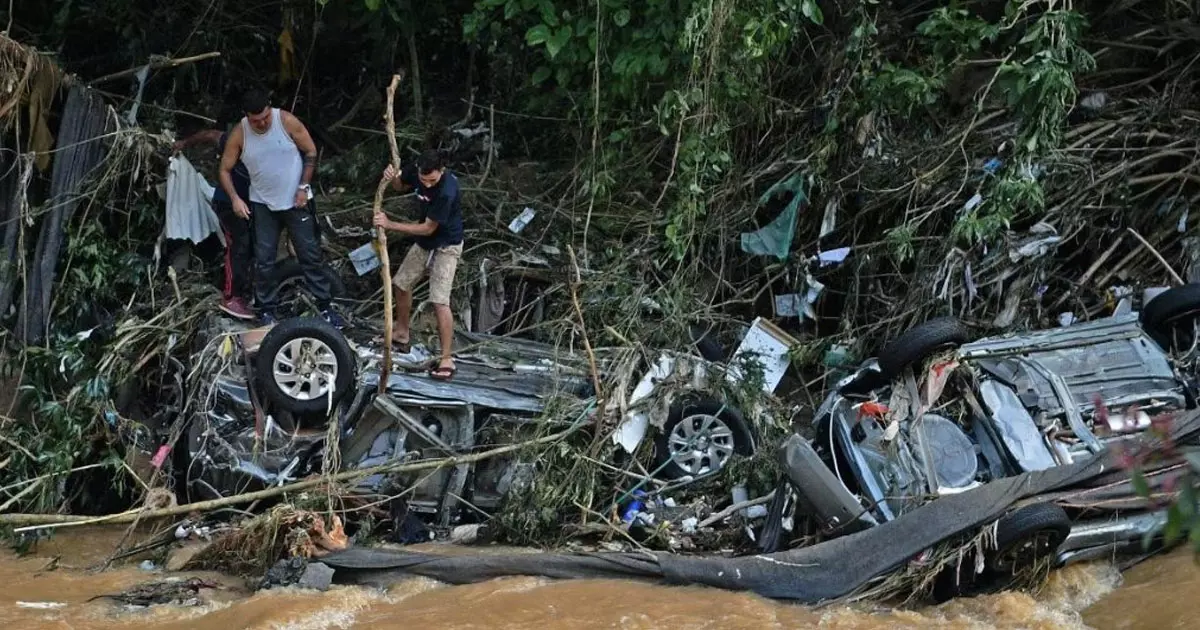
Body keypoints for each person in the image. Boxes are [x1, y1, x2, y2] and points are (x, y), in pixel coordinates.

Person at [219, 88, 343, 327]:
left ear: (270, 108)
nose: (262, 123)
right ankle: (266, 308)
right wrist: (235, 198)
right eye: (256, 120)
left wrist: (303, 185)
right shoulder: (240, 133)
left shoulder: (285, 121)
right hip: (262, 203)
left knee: (309, 254)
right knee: (264, 259)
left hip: (297, 200)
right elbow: (224, 169)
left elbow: (310, 151)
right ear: (246, 116)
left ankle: (325, 306)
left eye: (265, 117)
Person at [374, 150, 464, 381]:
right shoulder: (417, 171)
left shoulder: (447, 191)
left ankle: (446, 357)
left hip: (447, 244)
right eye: (424, 181)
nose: (427, 184)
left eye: (432, 180)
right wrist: (392, 176)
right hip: (424, 243)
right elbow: (399, 186)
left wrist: (390, 224)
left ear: (441, 171)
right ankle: (402, 331)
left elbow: (428, 227)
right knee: (401, 283)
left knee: (439, 300)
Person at [172, 128, 255, 320]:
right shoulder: (238, 141)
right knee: (238, 243)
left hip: (252, 204)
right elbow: (210, 135)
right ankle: (230, 297)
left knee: (252, 244)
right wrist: (183, 144)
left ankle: (245, 289)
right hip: (227, 202)